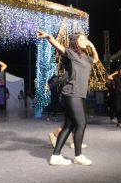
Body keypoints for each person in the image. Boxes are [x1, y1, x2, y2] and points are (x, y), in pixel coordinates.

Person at [37, 30, 99, 166]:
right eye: (82, 40)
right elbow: (58, 46)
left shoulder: (86, 58)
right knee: (81, 124)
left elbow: (96, 59)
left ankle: (56, 156)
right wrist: (49, 37)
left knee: (68, 126)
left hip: (79, 94)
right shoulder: (71, 53)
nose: (84, 42)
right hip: (72, 93)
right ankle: (78, 156)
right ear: (75, 42)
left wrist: (92, 46)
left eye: (85, 39)